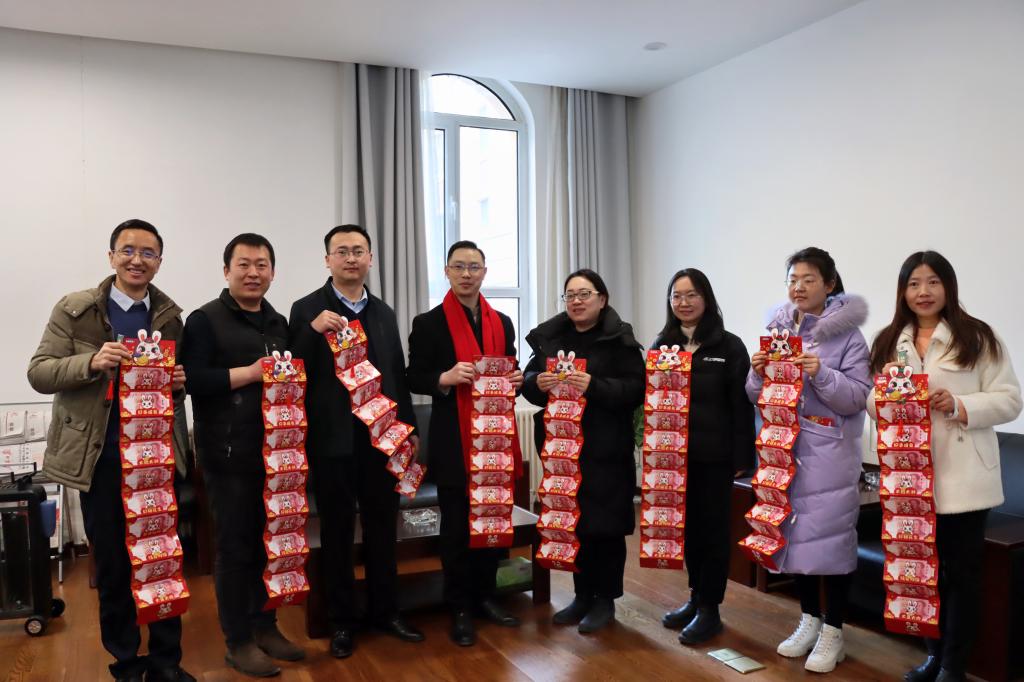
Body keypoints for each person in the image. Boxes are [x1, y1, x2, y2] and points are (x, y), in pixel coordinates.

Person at [27, 219, 194, 682]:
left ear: (159, 261)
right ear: (112, 257)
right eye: (128, 250)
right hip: (100, 459)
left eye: (148, 253)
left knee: (162, 560)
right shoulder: (76, 309)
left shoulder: (170, 317)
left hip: (155, 456)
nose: (137, 260)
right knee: (115, 564)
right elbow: (39, 372)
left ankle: (167, 662)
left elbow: (172, 390)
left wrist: (178, 384)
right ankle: (126, 661)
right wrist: (92, 361)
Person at [867, 251, 1021, 682]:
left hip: (965, 478)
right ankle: (933, 657)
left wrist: (958, 403)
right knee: (922, 576)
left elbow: (1010, 400)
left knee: (963, 575)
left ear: (948, 286)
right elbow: (872, 405)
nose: (924, 292)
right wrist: (887, 397)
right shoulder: (888, 340)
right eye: (914, 283)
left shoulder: (978, 336)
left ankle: (954, 665)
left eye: (933, 282)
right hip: (909, 478)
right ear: (903, 292)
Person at [288, 224, 424, 659]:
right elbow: (291, 372)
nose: (351, 258)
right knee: (338, 532)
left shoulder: (383, 312)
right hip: (333, 442)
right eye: (342, 251)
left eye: (358, 251)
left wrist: (407, 431)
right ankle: (342, 621)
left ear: (370, 259)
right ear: (327, 260)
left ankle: (387, 612)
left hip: (382, 439)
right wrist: (310, 332)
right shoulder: (306, 309)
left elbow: (395, 375)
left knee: (384, 528)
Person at [180, 233, 303, 678]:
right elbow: (192, 380)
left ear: (273, 272)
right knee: (234, 549)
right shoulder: (204, 320)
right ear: (226, 270)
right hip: (227, 454)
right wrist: (249, 374)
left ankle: (265, 626)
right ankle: (238, 641)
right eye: (244, 264)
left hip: (276, 453)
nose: (253, 273)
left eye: (262, 265)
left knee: (268, 543)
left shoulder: (277, 321)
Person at [746, 246, 870, 674]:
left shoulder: (848, 336)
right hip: (783, 449)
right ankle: (809, 620)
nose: (798, 287)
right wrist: (757, 372)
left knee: (831, 541)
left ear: (830, 284)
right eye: (792, 280)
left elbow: (857, 398)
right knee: (793, 537)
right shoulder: (778, 329)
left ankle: (834, 630)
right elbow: (756, 395)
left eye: (808, 279)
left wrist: (821, 373)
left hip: (829, 453)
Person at [406, 240, 523, 646]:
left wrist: (516, 378)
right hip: (454, 439)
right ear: (447, 271)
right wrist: (445, 378)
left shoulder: (502, 322)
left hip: (494, 436)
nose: (467, 274)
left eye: (474, 266)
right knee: (456, 527)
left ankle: (486, 596)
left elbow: (511, 366)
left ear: (484, 272)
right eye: (459, 266)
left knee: (492, 518)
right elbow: (413, 376)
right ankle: (458, 606)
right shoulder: (428, 322)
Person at [521, 268, 645, 633]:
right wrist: (538, 382)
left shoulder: (620, 339)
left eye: (584, 294)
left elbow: (635, 389)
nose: (576, 301)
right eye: (570, 295)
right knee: (573, 522)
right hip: (563, 448)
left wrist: (594, 385)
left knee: (605, 527)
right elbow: (527, 382)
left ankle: (605, 599)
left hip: (607, 448)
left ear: (602, 299)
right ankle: (581, 595)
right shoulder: (551, 338)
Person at [654, 269, 755, 645]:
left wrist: (743, 456)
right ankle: (695, 597)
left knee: (713, 532)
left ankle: (711, 608)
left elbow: (742, 406)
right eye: (676, 296)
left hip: (716, 457)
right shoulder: (662, 346)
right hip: (675, 457)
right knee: (688, 531)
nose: (683, 302)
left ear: (707, 299)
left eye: (691, 295)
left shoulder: (729, 346)